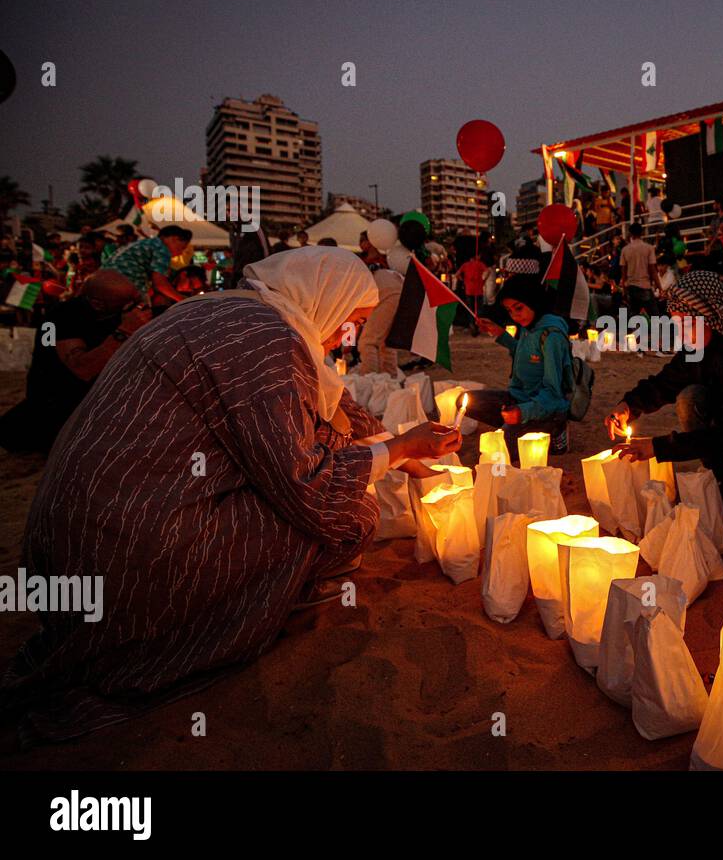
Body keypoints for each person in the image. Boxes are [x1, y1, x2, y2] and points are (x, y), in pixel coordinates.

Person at [1, 247, 462, 741]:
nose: (346, 336)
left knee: (345, 474)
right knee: (348, 510)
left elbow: (335, 411)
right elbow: (306, 483)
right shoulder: (263, 339)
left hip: (76, 546)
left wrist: (396, 446)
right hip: (123, 561)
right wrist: (393, 450)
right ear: (324, 299)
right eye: (351, 320)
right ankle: (239, 614)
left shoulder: (236, 312)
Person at [604, 271, 723, 512]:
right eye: (677, 324)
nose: (681, 332)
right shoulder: (698, 347)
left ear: (708, 317)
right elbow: (667, 381)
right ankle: (720, 478)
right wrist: (628, 406)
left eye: (686, 324)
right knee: (690, 397)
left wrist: (656, 447)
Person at [0, 272, 150, 454]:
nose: (135, 307)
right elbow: (82, 369)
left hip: (92, 400)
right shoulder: (62, 317)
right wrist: (124, 331)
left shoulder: (113, 313)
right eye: (127, 303)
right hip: (57, 403)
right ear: (97, 304)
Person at [472, 275, 572, 459]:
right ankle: (516, 427)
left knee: (498, 453)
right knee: (468, 401)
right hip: (520, 398)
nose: (515, 316)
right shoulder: (530, 326)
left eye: (519, 308)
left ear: (533, 301)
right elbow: (526, 354)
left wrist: (522, 412)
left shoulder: (551, 336)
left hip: (546, 408)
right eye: (510, 311)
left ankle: (554, 429)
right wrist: (501, 334)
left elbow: (553, 392)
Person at [103, 224, 191, 303]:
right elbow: (160, 283)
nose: (180, 253)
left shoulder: (145, 243)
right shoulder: (162, 249)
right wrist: (183, 300)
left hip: (102, 280)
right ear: (174, 239)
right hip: (118, 287)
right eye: (182, 248)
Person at [620, 222, 657, 317]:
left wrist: (624, 288)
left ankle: (635, 331)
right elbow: (652, 270)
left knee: (634, 315)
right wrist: (659, 287)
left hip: (631, 286)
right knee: (654, 315)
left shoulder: (625, 250)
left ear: (630, 234)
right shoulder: (649, 248)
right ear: (642, 233)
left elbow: (623, 272)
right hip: (645, 285)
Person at [456, 252, 490, 328]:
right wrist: (484, 280)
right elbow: (488, 271)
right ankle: (478, 323)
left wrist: (463, 281)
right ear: (476, 256)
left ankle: (471, 323)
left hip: (469, 290)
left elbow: (457, 274)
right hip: (478, 290)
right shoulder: (480, 264)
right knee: (479, 308)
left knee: (470, 309)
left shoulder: (465, 265)